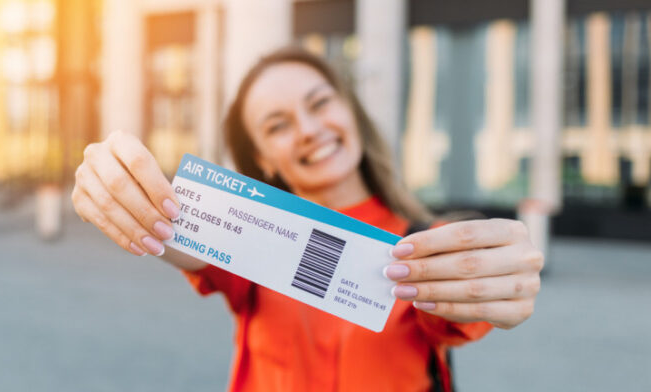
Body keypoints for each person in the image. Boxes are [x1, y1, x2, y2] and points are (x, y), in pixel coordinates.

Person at [72, 47, 543, 392]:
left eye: (319, 103)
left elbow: (464, 309)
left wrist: (498, 279)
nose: (309, 130)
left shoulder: (424, 245)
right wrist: (123, 187)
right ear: (263, 158)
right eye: (278, 125)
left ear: (349, 111)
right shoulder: (247, 239)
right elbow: (171, 231)